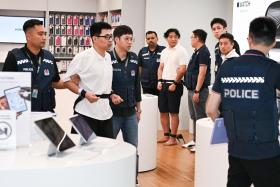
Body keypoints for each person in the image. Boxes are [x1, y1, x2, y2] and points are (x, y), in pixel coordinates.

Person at [206, 17, 280, 187]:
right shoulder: (273, 69)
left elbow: (210, 109)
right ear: (273, 43)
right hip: (266, 152)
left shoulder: (226, 67)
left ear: (249, 39)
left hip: (236, 150)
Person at [63, 22, 114, 138]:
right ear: (95, 38)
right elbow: (67, 81)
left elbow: (102, 82)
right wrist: (84, 93)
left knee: (106, 150)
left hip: (106, 113)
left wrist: (111, 94)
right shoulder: (83, 57)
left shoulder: (108, 56)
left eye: (111, 36)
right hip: (85, 113)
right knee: (82, 152)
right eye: (106, 37)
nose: (110, 40)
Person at [2, 19, 65, 112]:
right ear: (28, 36)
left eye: (45, 34)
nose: (44, 37)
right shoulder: (14, 56)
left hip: (46, 112)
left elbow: (55, 82)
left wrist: (70, 83)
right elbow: (5, 85)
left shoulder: (49, 57)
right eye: (40, 34)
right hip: (23, 113)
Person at [109, 25, 141, 186]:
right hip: (112, 113)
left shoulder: (134, 57)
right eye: (126, 39)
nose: (130, 42)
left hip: (130, 113)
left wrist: (139, 107)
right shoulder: (106, 58)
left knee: (133, 148)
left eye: (131, 39)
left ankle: (132, 180)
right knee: (108, 147)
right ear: (116, 40)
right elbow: (101, 84)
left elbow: (137, 85)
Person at [157, 28, 188, 145]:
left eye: (175, 36)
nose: (173, 39)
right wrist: (159, 81)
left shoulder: (181, 51)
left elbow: (183, 69)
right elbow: (160, 67)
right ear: (166, 38)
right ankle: (166, 135)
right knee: (163, 111)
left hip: (175, 84)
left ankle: (173, 138)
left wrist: (175, 83)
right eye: (170, 36)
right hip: (163, 84)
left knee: (173, 112)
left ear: (178, 38)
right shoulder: (164, 51)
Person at [182, 29, 211, 152]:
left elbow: (202, 73)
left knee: (200, 117)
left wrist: (197, 91)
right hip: (191, 89)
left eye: (192, 37)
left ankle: (201, 143)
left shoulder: (204, 52)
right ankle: (195, 140)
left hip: (198, 90)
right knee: (194, 116)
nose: (191, 39)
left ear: (197, 38)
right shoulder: (196, 52)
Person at [138, 31, 165, 95]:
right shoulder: (142, 51)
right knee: (148, 103)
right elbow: (139, 67)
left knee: (160, 104)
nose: (150, 40)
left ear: (157, 38)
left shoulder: (163, 50)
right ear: (146, 40)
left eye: (152, 38)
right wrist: (139, 79)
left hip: (160, 84)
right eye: (148, 39)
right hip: (146, 84)